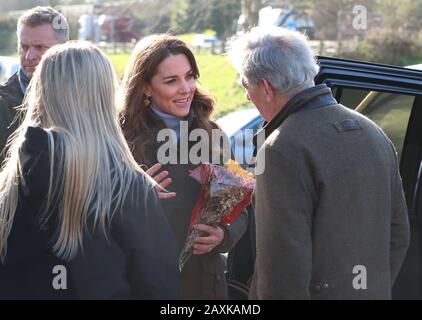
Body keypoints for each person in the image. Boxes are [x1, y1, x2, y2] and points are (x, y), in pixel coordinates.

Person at [228, 27, 410, 299]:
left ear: (265, 87)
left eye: (246, 85)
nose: (246, 96)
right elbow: (398, 235)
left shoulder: (280, 149)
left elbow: (282, 269)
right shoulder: (374, 132)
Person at [0, 41, 179, 299]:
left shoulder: (10, 186)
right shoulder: (127, 187)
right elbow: (159, 288)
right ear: (104, 97)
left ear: (42, 92)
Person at [120, 34, 247, 299]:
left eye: (189, 76)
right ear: (145, 87)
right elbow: (94, 215)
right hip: (143, 283)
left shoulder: (213, 135)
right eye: (171, 81)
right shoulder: (121, 139)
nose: (186, 88)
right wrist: (132, 194)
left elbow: (241, 208)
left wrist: (222, 235)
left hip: (203, 283)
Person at [0, 6, 69, 164]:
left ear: (63, 49)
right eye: (24, 47)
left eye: (40, 47)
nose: (29, 56)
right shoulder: (2, 103)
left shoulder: (85, 97)